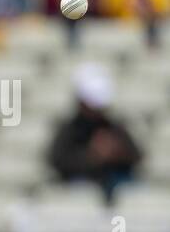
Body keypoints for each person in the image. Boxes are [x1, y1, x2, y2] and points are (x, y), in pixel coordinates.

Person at [47, 62, 142, 204]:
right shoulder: (69, 129)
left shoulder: (114, 127)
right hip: (79, 193)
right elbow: (57, 160)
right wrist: (92, 156)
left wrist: (116, 152)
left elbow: (137, 155)